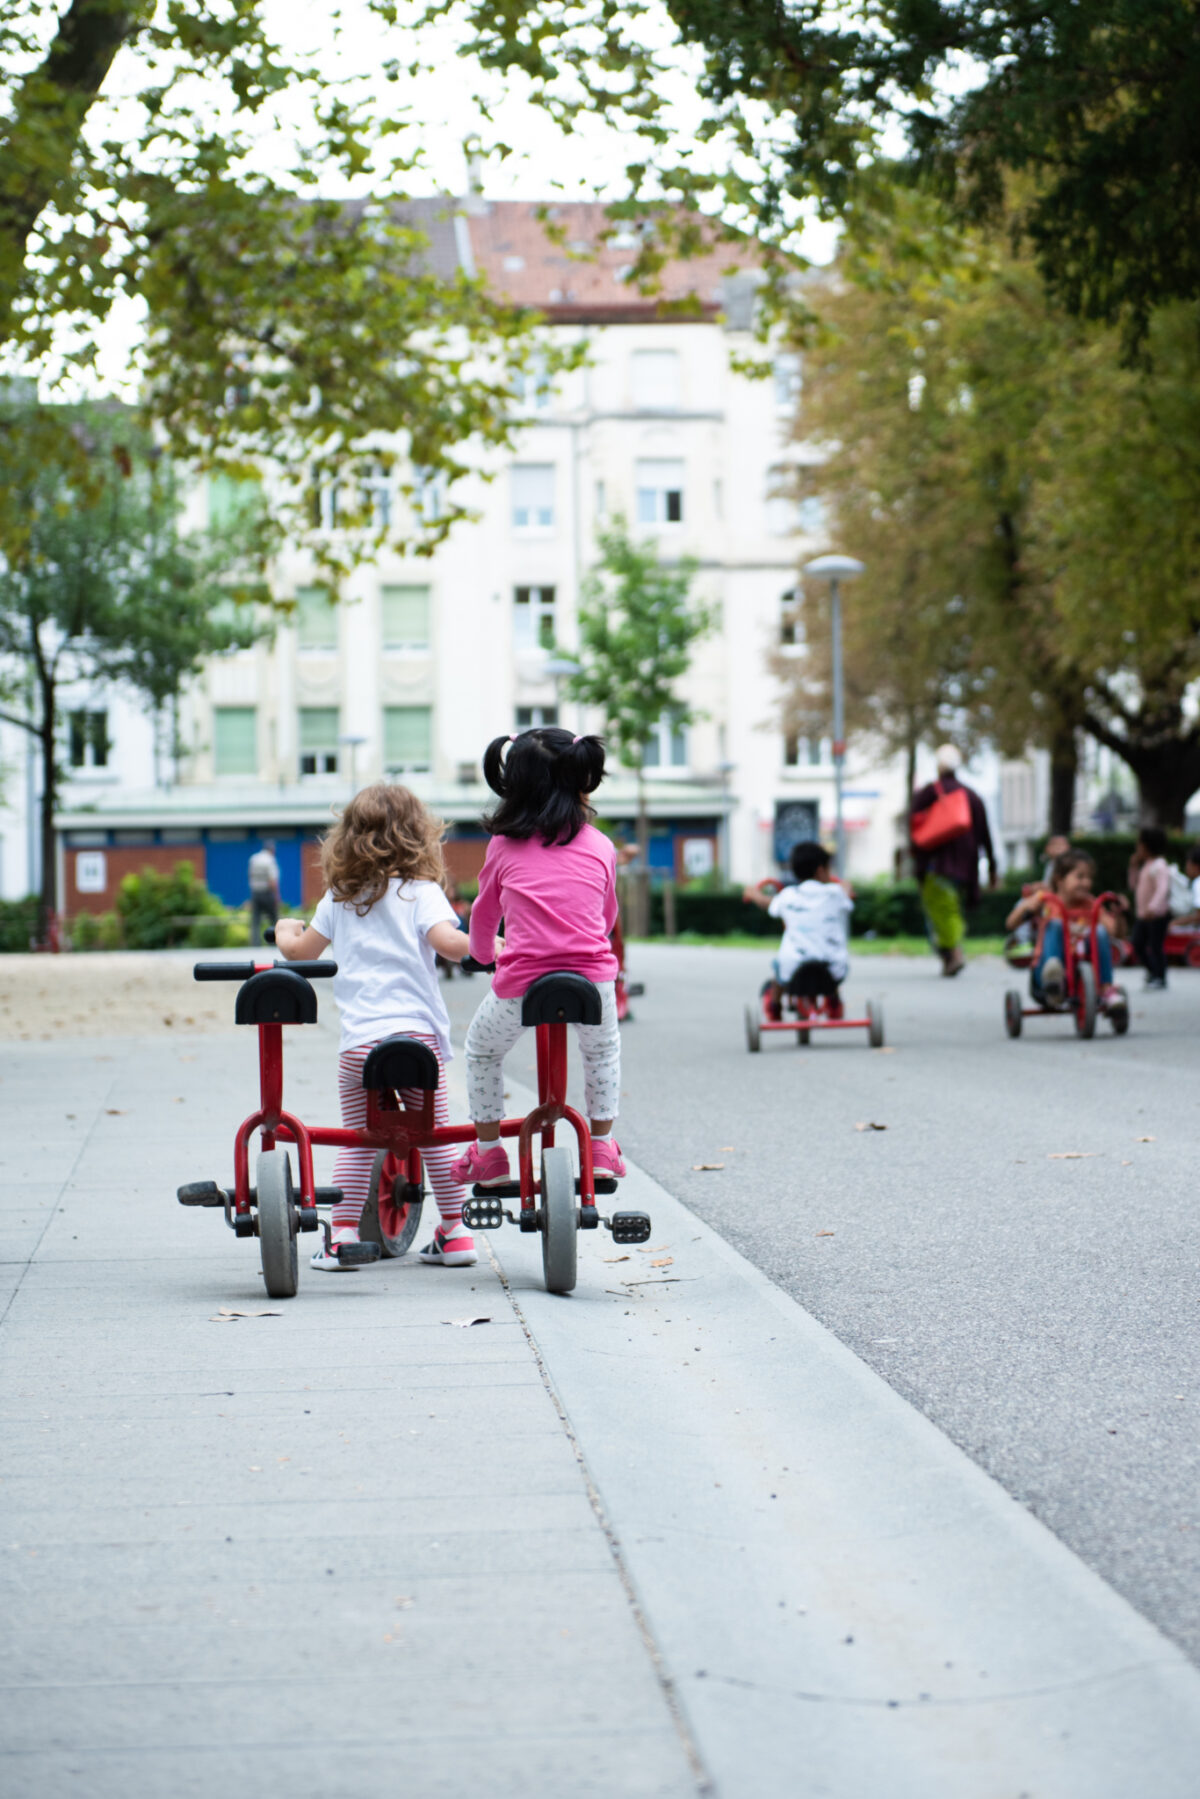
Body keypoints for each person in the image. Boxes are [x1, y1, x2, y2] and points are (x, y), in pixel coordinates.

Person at [274, 783, 477, 1270]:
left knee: (359, 1138)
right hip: (417, 1043)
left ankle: (343, 1236)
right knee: (435, 1134)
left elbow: (300, 954)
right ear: (419, 836)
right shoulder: (422, 892)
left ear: (347, 838)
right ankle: (455, 1233)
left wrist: (285, 929)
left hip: (361, 1045)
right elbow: (451, 945)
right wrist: (491, 944)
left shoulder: (339, 898)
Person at [450, 727, 624, 1188]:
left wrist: (482, 955)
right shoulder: (601, 845)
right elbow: (606, 916)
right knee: (601, 1051)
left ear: (515, 787)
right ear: (580, 781)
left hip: (523, 983)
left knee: (482, 1050)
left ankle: (489, 1154)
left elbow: (484, 914)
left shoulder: (502, 846)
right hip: (592, 982)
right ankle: (602, 1147)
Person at [1005, 848, 1127, 1023]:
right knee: (1055, 925)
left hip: (1082, 972)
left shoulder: (1092, 904)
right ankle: (1053, 976)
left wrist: (1119, 914)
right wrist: (1028, 905)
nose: (1086, 883)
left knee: (1099, 931)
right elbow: (1010, 923)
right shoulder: (1047, 901)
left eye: (1089, 878)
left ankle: (1106, 989)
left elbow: (1113, 932)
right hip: (1045, 975)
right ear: (1059, 879)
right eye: (1080, 876)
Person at [911, 745, 997, 978]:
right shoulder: (972, 796)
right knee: (952, 909)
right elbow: (985, 834)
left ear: (938, 766)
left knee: (941, 911)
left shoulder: (928, 793)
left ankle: (954, 953)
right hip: (966, 868)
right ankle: (950, 955)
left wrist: (915, 862)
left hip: (936, 866)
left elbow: (914, 829)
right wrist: (992, 868)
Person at [742, 841, 854, 1018]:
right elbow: (846, 893)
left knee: (780, 965)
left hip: (793, 969)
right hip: (834, 969)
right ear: (820, 871)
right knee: (828, 953)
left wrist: (753, 893)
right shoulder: (835, 893)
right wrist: (846, 886)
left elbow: (766, 902)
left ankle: (774, 1005)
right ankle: (834, 1002)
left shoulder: (788, 896)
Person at [1128, 825, 1171, 990]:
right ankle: (1152, 971)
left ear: (1147, 846)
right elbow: (1133, 885)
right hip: (1143, 915)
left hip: (1156, 915)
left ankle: (1159, 976)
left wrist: (1153, 907)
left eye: (1139, 844)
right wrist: (1133, 867)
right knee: (1137, 943)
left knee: (1155, 946)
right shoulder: (1146, 865)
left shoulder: (1159, 865)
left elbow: (1162, 888)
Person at [247, 839, 280, 946]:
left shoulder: (254, 859)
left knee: (256, 920)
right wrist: (277, 896)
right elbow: (272, 881)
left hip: (256, 893)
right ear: (272, 849)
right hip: (267, 893)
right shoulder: (270, 860)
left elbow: (250, 876)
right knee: (274, 919)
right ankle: (274, 942)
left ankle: (255, 944)